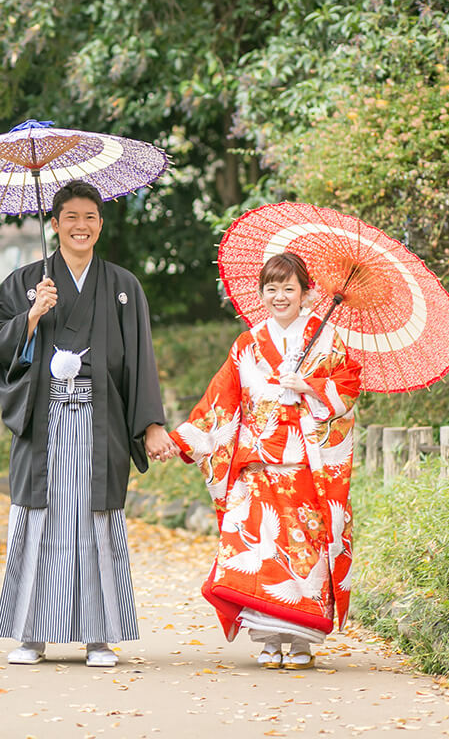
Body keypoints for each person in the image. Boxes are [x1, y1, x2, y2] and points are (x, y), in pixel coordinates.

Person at [0, 179, 176, 667]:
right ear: (54, 224)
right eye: (70, 217)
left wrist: (151, 425)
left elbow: (139, 361)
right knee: (39, 522)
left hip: (100, 423)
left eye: (90, 217)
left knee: (96, 523)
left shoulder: (122, 287)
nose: (80, 226)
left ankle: (99, 635)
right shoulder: (27, 282)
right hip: (43, 424)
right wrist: (32, 315)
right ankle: (31, 634)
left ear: (101, 224)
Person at [168, 252, 362, 670]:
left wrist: (309, 387)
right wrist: (184, 440)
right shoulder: (248, 344)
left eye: (288, 288)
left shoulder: (329, 341)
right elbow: (222, 400)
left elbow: (348, 388)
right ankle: (269, 640)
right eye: (270, 289)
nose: (279, 296)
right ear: (260, 294)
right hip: (257, 469)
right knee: (262, 553)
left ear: (306, 294)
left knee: (304, 554)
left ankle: (302, 643)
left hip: (306, 470)